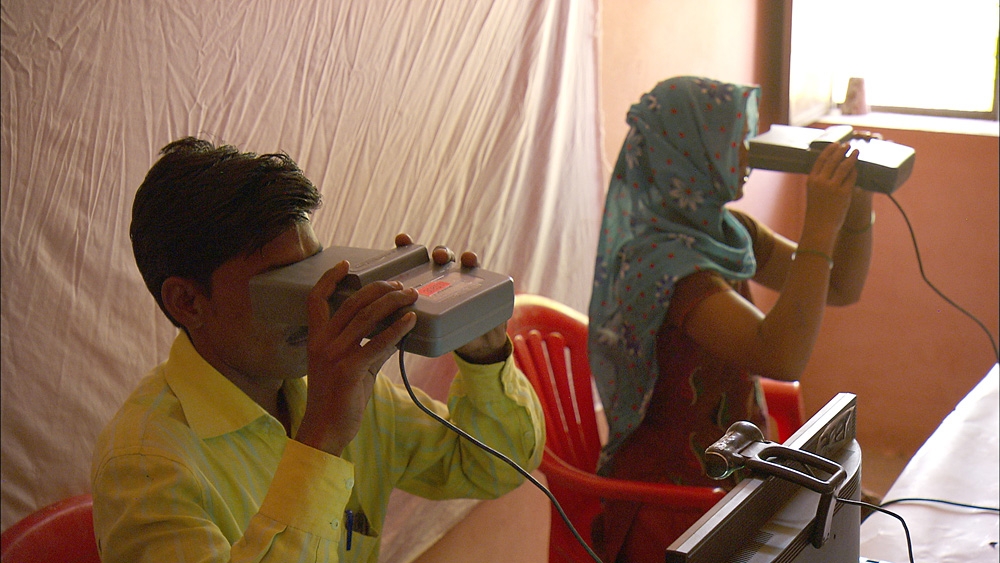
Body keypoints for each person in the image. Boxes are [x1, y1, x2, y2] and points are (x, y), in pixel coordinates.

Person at [91, 137, 544, 562]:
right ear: (188, 302)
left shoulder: (329, 386)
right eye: (285, 284)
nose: (317, 305)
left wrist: (483, 350)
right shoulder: (146, 466)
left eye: (314, 269)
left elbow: (493, 469)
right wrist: (321, 442)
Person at [587, 76, 874, 562]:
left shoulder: (723, 231)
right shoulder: (664, 266)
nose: (746, 157)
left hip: (735, 462)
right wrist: (820, 225)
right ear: (688, 154)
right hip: (675, 501)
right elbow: (782, 357)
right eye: (733, 143)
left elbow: (841, 285)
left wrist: (858, 203)